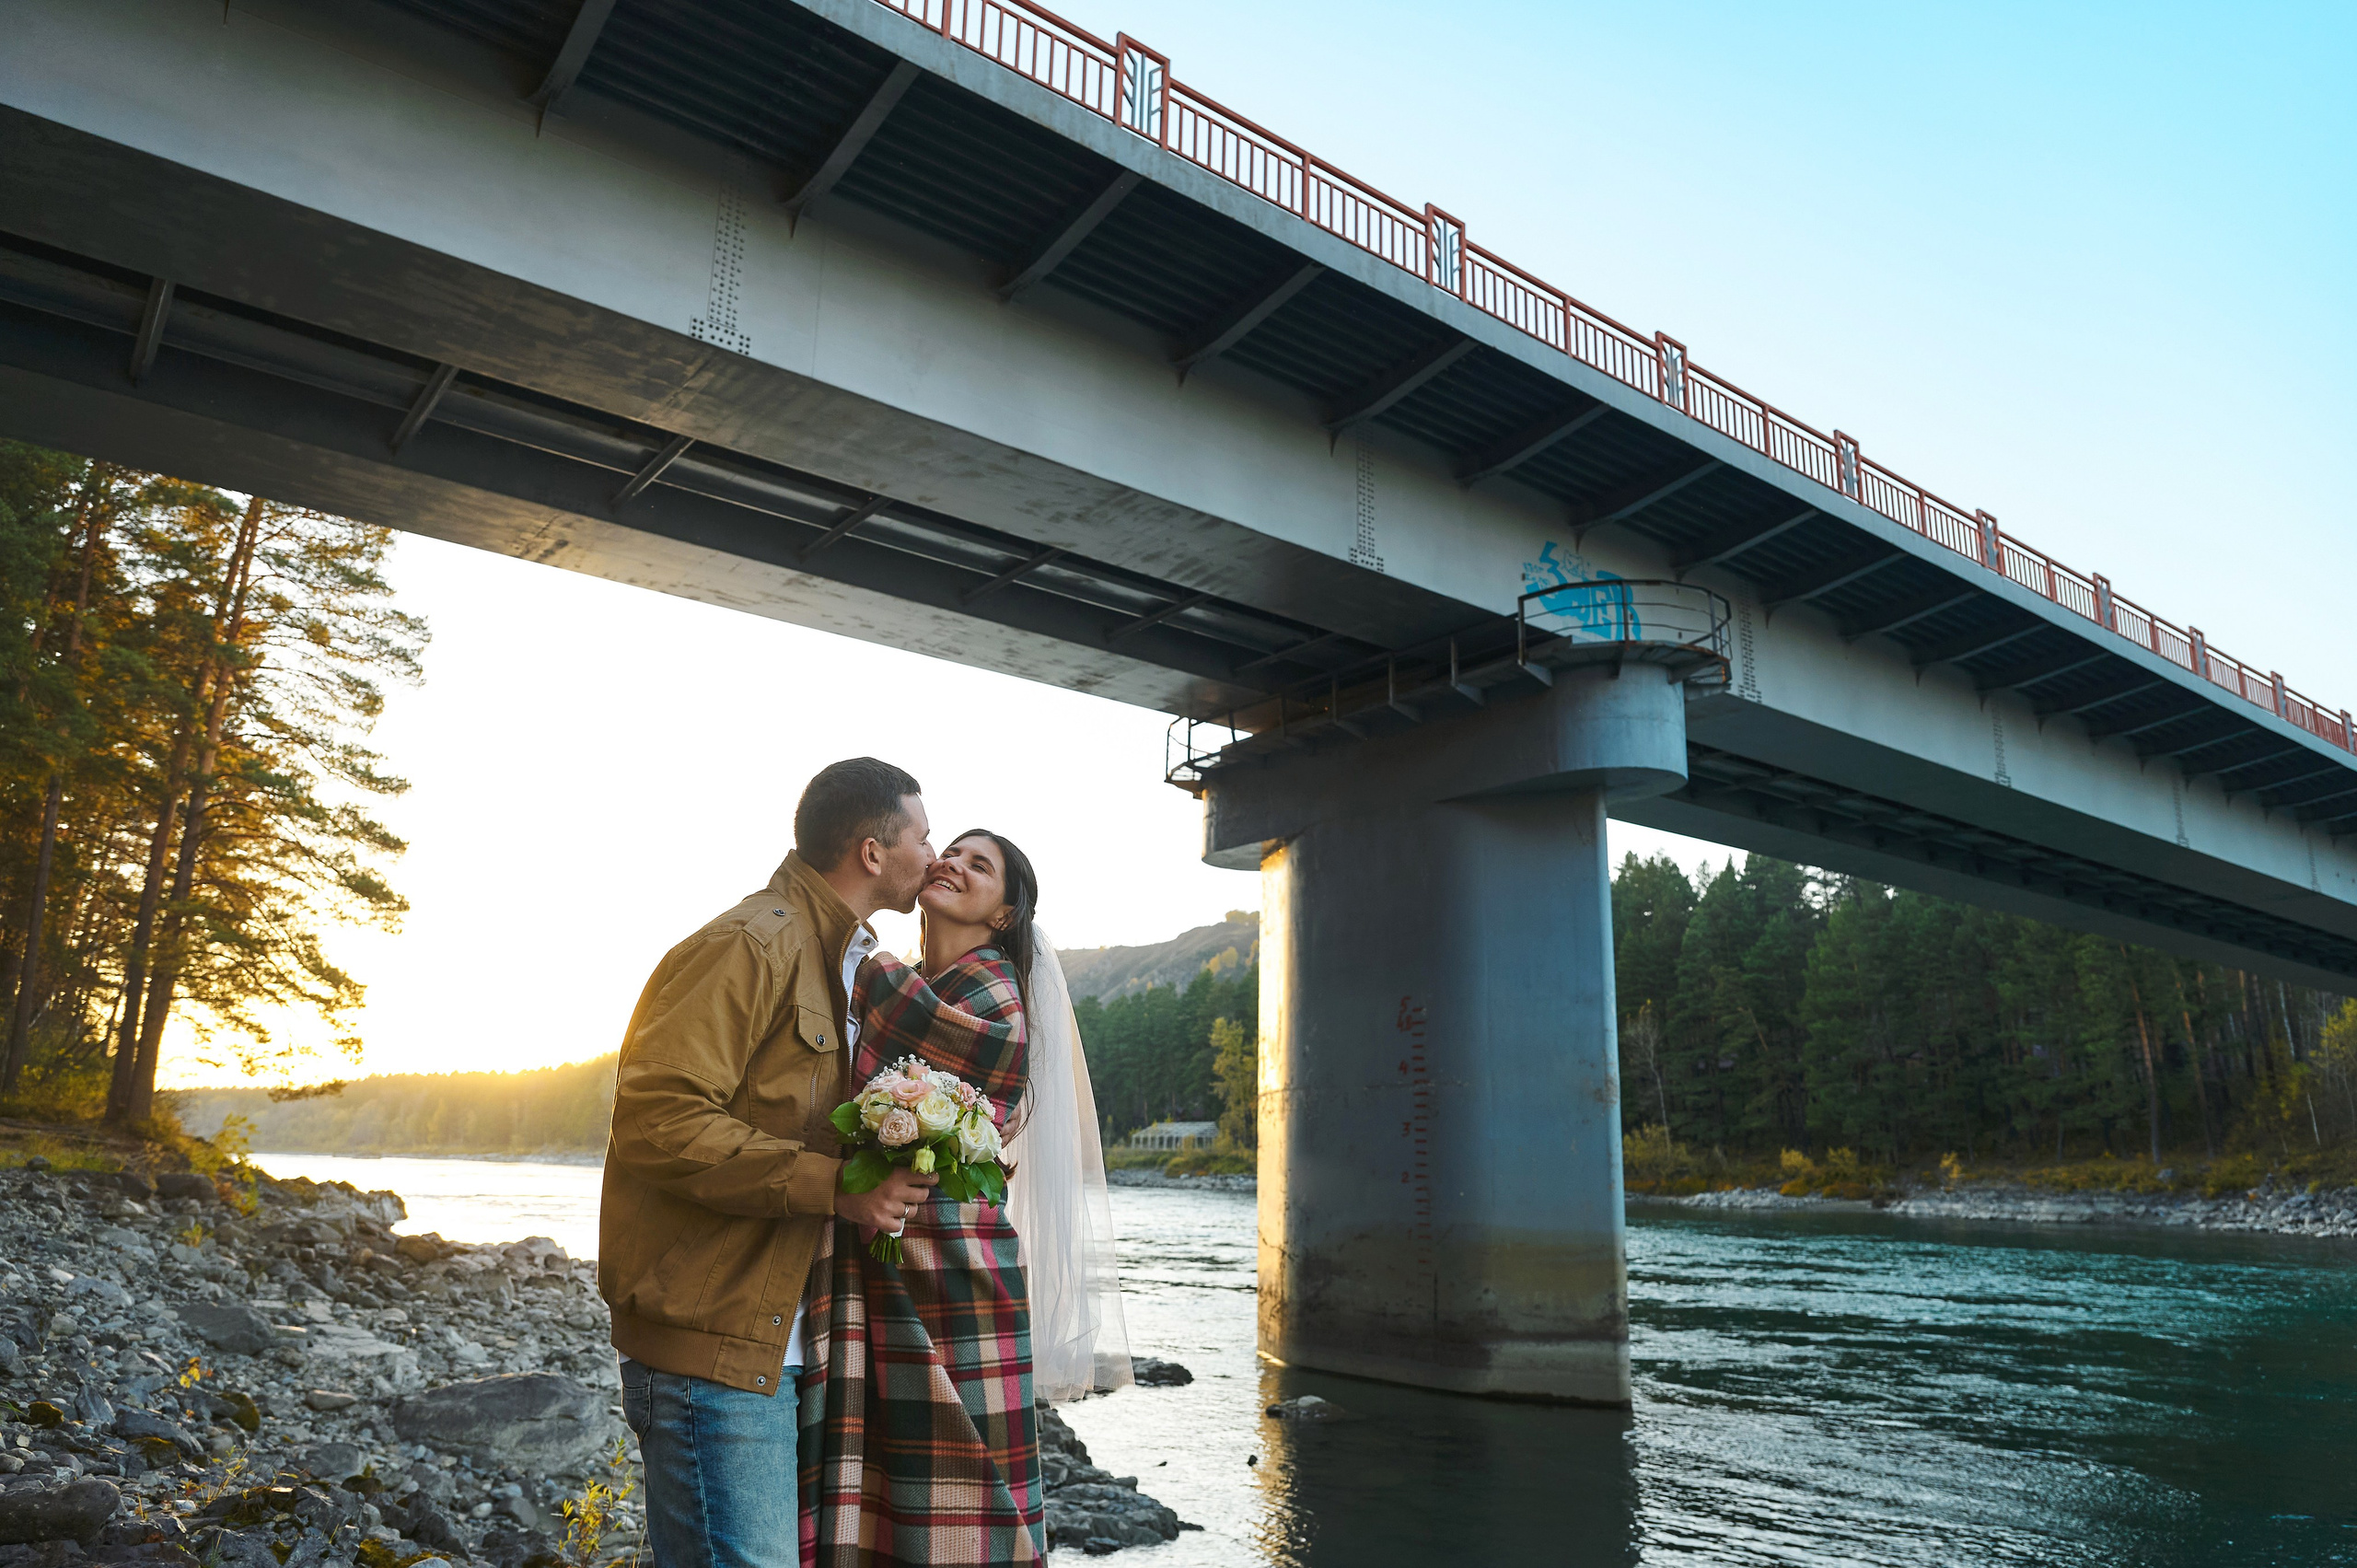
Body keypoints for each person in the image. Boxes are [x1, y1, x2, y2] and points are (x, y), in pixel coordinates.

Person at [598, 758, 945, 1568]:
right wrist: (839, 1189)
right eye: (922, 837)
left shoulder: (844, 964)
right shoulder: (752, 944)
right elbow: (658, 1119)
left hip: (785, 1343)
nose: (933, 854)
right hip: (712, 1347)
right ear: (870, 851)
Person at [798, 830, 1131, 1567]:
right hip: (887, 1252)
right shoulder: (916, 983)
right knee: (896, 1481)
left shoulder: (993, 999)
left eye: (979, 865)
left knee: (969, 1482)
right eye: (948, 850)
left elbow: (912, 1021)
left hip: (959, 1275)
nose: (951, 863)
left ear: (1005, 915)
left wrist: (849, 937)